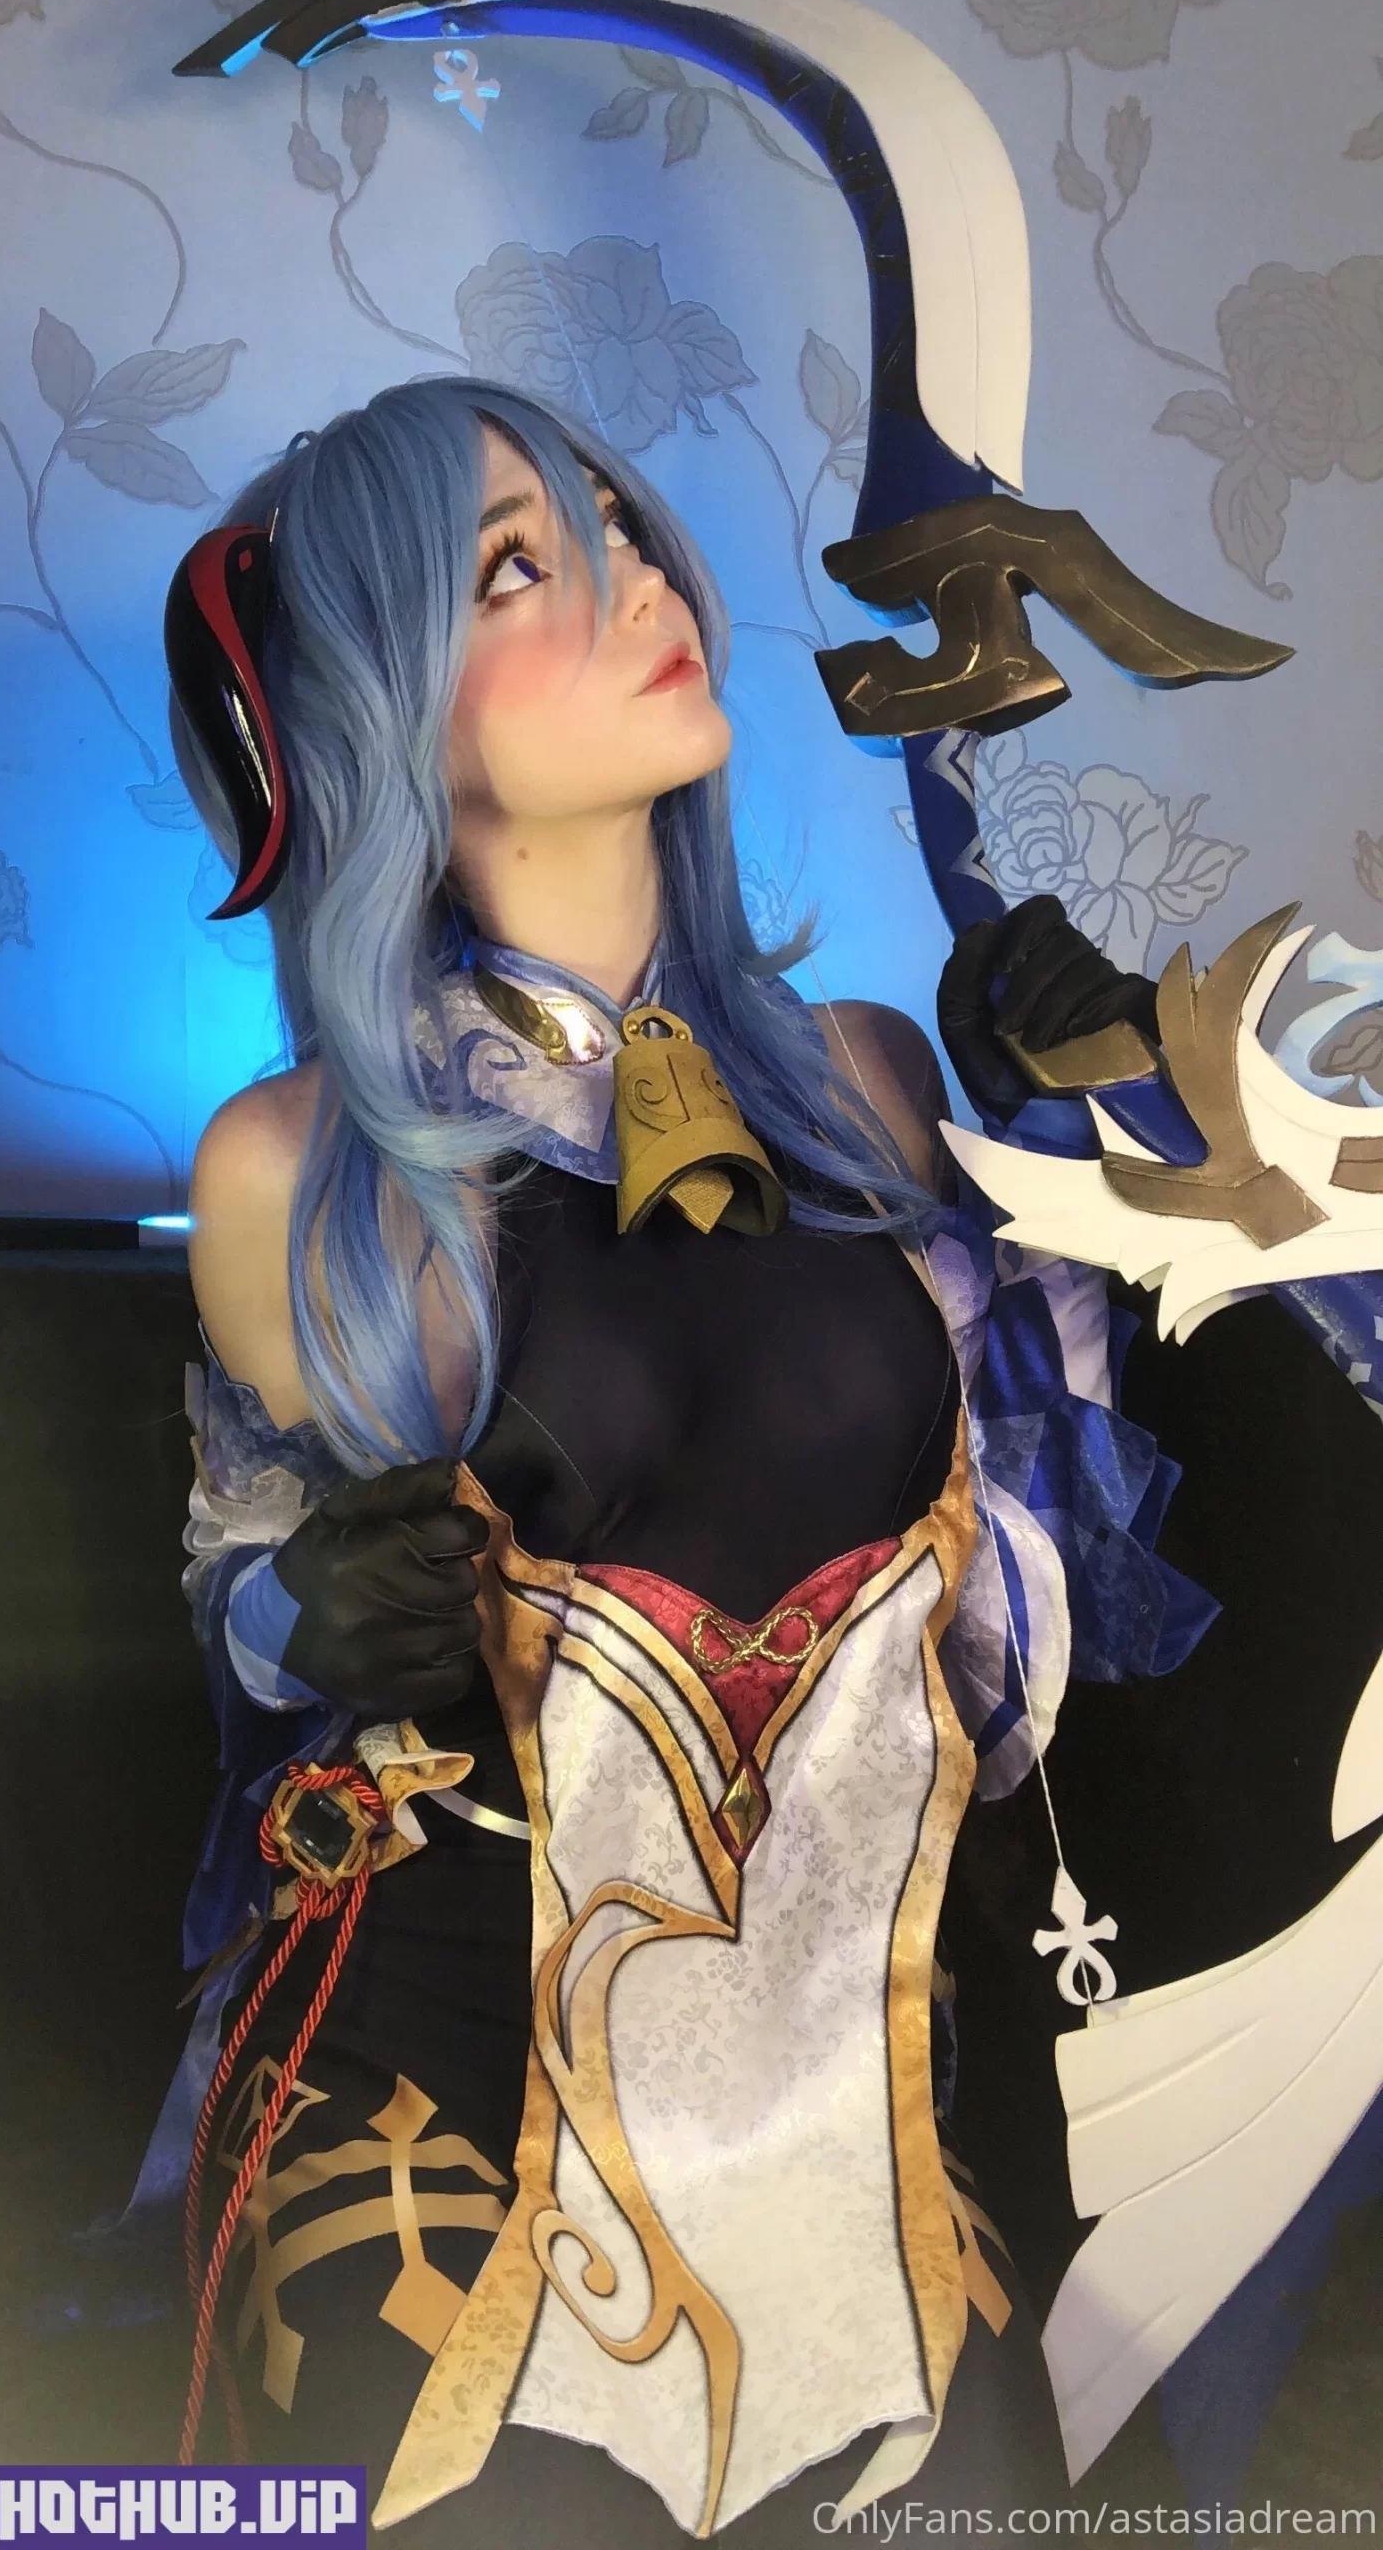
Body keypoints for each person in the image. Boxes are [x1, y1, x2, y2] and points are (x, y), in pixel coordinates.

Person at [169, 374, 1197, 2542]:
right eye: (515, 565)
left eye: (618, 523)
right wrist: (311, 1612)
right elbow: (259, 1648)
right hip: (451, 2093)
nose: (634, 576)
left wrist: (1089, 1155)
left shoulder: (870, 1083)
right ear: (381, 709)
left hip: (846, 2077)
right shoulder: (295, 1174)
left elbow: (1024, 1644)